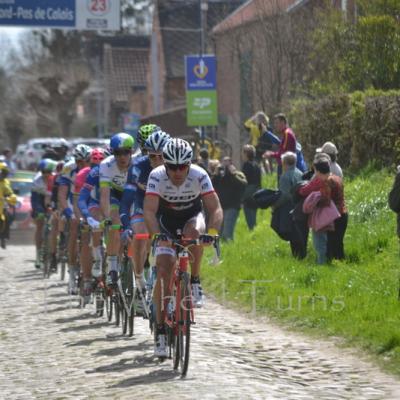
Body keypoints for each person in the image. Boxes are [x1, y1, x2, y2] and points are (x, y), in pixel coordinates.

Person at [144, 138, 223, 357]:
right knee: (163, 270)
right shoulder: (156, 176)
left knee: (196, 235)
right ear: (165, 165)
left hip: (191, 217)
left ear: (189, 164)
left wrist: (213, 234)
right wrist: (156, 235)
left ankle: (195, 280)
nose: (178, 171)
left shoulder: (199, 174)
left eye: (182, 166)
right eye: (172, 167)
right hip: (165, 223)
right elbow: (149, 211)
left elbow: (215, 207)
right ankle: (160, 330)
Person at [119, 130, 171, 313]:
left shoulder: (176, 166)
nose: (156, 160)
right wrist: (126, 225)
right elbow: (126, 199)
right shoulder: (138, 167)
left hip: (165, 207)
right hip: (141, 205)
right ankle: (139, 281)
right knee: (141, 235)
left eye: (161, 156)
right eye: (152, 156)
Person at [99, 133, 135, 286]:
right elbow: (105, 195)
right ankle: (112, 267)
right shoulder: (106, 165)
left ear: (131, 152)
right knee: (115, 220)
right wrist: (107, 217)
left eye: (126, 152)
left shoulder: (137, 164)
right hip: (115, 194)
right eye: (117, 153)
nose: (122, 156)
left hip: (131, 196)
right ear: (112, 153)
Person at [298, 154, 347, 263]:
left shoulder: (326, 183)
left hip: (333, 217)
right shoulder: (337, 178)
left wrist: (313, 200)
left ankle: (328, 269)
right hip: (343, 214)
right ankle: (341, 267)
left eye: (315, 171)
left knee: (329, 247)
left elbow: (325, 201)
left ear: (318, 171)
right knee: (338, 245)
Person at [58, 144, 92, 294]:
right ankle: (72, 270)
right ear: (75, 160)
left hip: (90, 200)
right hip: (74, 201)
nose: (82, 164)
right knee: (74, 227)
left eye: (86, 161)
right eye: (79, 161)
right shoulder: (68, 168)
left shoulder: (95, 168)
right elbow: (62, 194)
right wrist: (68, 213)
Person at [273, 152, 306, 258]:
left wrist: (275, 206)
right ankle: (302, 256)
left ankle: (297, 258)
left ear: (284, 163)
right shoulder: (300, 173)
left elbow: (284, 196)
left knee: (292, 235)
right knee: (301, 234)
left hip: (290, 209)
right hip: (301, 207)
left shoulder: (284, 177)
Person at [31, 159, 58, 267]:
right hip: (39, 198)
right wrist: (38, 212)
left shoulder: (55, 178)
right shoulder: (37, 180)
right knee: (40, 223)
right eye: (43, 172)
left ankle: (55, 249)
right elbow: (36, 200)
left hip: (51, 197)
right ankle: (38, 255)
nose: (46, 174)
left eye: (48, 172)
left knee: (55, 221)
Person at [212, 157, 247, 241]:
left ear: (231, 164)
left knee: (227, 233)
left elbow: (243, 184)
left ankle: (230, 249)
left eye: (228, 163)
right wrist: (215, 175)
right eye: (224, 162)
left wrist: (233, 174)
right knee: (219, 234)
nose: (225, 165)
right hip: (221, 207)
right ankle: (221, 252)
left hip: (232, 206)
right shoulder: (219, 175)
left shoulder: (238, 174)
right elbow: (211, 186)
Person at [263, 113, 297, 181]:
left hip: (286, 167)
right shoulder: (286, 133)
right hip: (284, 166)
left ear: (283, 122)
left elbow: (283, 154)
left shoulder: (287, 134)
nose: (275, 125)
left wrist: (271, 154)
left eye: (277, 123)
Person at [241, 145, 261, 230]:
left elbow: (244, 180)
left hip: (248, 193)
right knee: (253, 215)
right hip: (257, 192)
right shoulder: (257, 165)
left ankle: (252, 231)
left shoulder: (246, 165)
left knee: (249, 217)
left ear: (246, 154)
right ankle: (254, 232)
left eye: (243, 153)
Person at [0, 162, 17, 249]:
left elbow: (9, 193)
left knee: (8, 217)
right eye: (2, 173)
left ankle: (3, 237)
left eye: (5, 173)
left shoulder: (5, 182)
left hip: (1, 207)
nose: (3, 175)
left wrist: (11, 197)